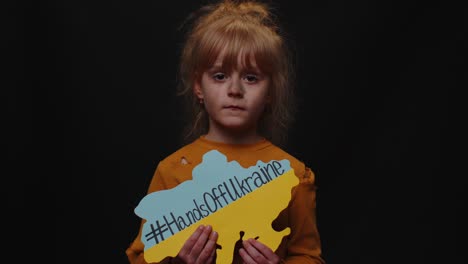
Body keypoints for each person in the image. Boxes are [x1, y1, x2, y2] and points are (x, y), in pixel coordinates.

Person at [125, 0, 325, 263]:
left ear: (270, 92)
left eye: (251, 77)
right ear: (199, 86)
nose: (234, 90)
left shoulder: (293, 174)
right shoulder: (172, 171)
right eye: (219, 76)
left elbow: (308, 256)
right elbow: (140, 256)